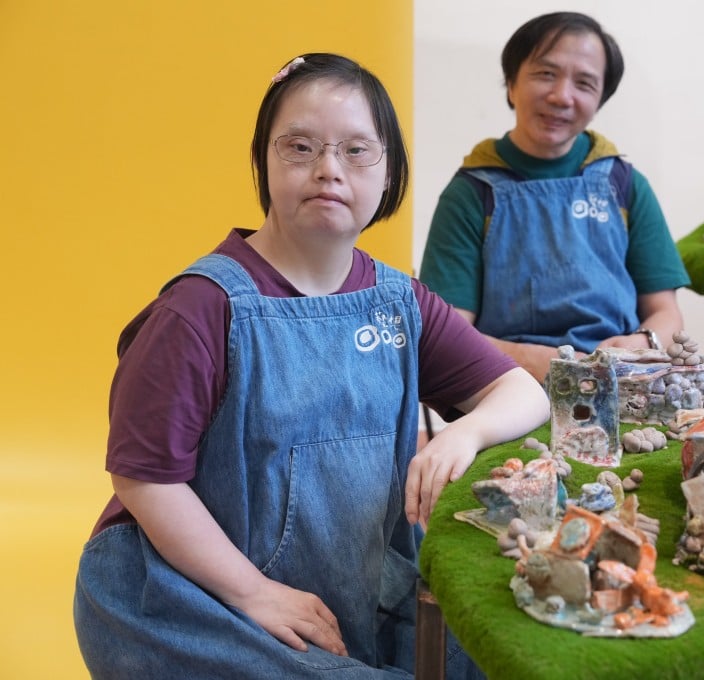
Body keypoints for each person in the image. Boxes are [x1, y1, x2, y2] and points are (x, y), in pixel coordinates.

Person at [72, 53, 549, 679]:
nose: (328, 169)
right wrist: (252, 592)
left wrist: (466, 431)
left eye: (356, 151)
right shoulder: (199, 310)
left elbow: (523, 393)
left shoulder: (400, 302)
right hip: (190, 592)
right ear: (263, 162)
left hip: (351, 584)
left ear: (389, 173)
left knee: (511, 658)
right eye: (300, 147)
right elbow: (144, 480)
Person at [419, 11, 690, 382]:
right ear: (511, 84)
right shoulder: (470, 193)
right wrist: (526, 359)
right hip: (509, 383)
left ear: (600, 100)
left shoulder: (625, 185)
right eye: (546, 74)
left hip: (622, 380)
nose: (562, 96)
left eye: (584, 83)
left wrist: (642, 342)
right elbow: (450, 333)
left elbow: (667, 313)